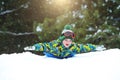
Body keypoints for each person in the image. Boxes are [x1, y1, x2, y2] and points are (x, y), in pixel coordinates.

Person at [24, 24, 104, 59]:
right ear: (62, 40)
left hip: (67, 56)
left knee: (74, 51)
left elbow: (85, 47)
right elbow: (44, 46)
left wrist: (96, 47)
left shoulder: (73, 46)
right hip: (54, 56)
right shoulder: (55, 45)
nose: (68, 42)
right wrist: (34, 47)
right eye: (66, 40)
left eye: (69, 40)